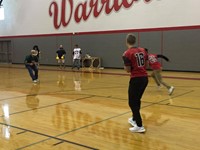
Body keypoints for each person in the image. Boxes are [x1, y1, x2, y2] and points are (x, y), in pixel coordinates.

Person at [122, 34, 148, 133]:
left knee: (132, 102)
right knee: (137, 100)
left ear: (126, 41)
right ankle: (134, 119)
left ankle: (139, 125)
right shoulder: (143, 50)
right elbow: (146, 65)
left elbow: (128, 70)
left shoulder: (127, 53)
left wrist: (126, 66)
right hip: (144, 78)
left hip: (136, 79)